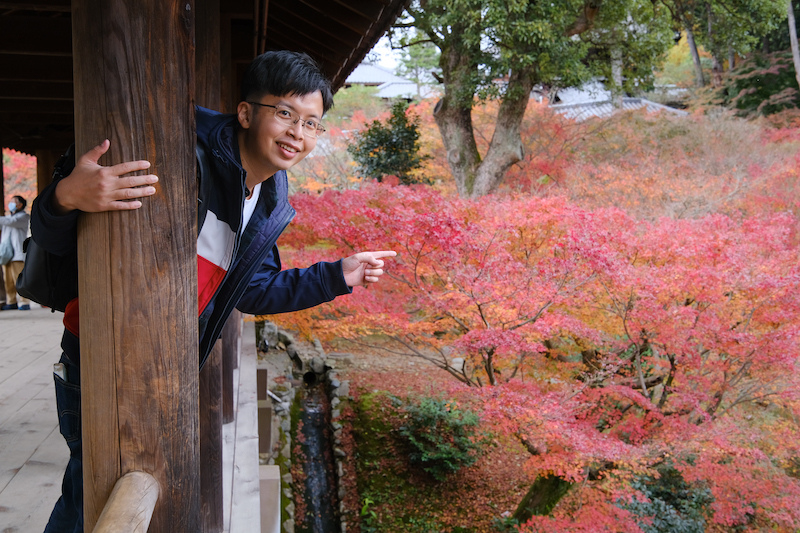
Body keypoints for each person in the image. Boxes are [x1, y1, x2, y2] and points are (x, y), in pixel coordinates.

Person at [32, 50, 395, 532]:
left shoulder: (268, 195)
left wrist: (336, 277)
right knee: (91, 499)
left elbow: (254, 291)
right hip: (99, 353)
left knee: (97, 495)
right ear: (246, 113)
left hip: (168, 362)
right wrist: (65, 198)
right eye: (284, 113)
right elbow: (54, 238)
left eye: (311, 123)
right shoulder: (182, 155)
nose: (297, 133)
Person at [0, 195, 31, 311]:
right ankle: (11, 301)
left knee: (19, 279)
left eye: (13, 202)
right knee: (8, 281)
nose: (11, 204)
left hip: (17, 254)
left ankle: (24, 302)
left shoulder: (23, 216)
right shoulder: (7, 219)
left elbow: (11, 222)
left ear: (20, 204)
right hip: (6, 254)